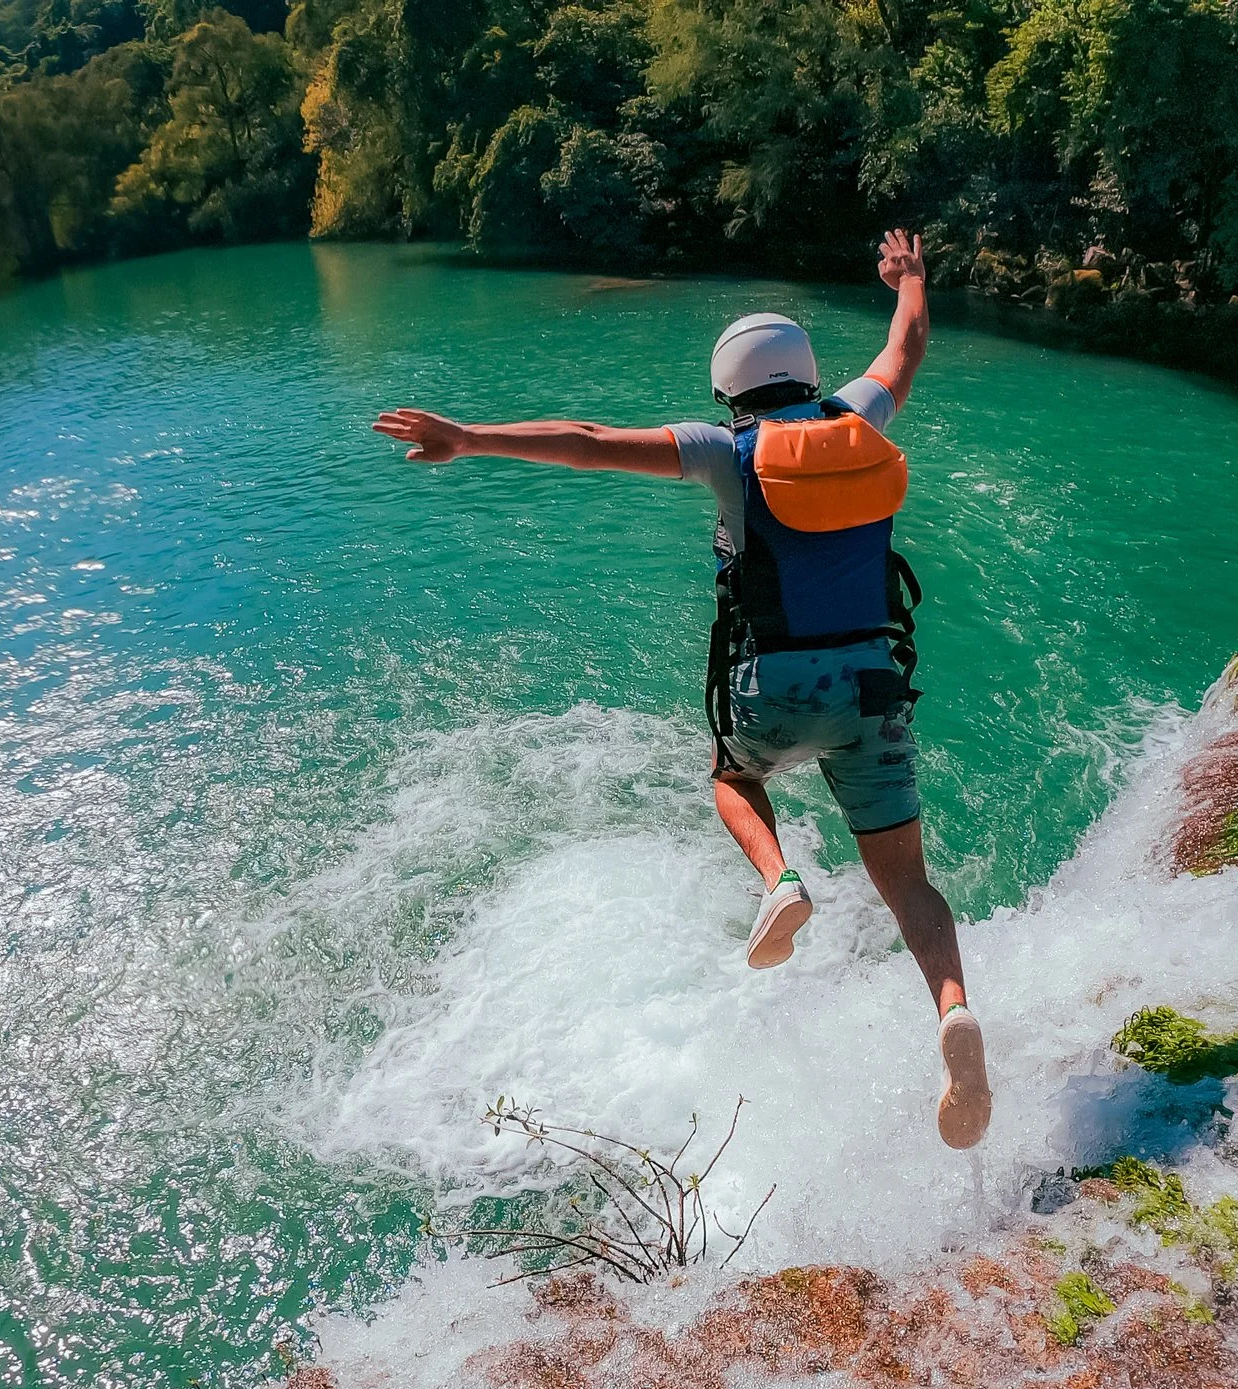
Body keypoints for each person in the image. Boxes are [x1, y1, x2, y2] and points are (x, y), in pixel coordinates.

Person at [374, 230, 991, 1150]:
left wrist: (470, 437)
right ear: (804, 372)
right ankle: (951, 1012)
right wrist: (910, 279)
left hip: (773, 688)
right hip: (872, 687)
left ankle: (780, 878)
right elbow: (905, 348)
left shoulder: (724, 451)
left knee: (732, 779)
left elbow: (586, 443)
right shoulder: (862, 419)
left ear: (730, 390)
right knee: (908, 882)